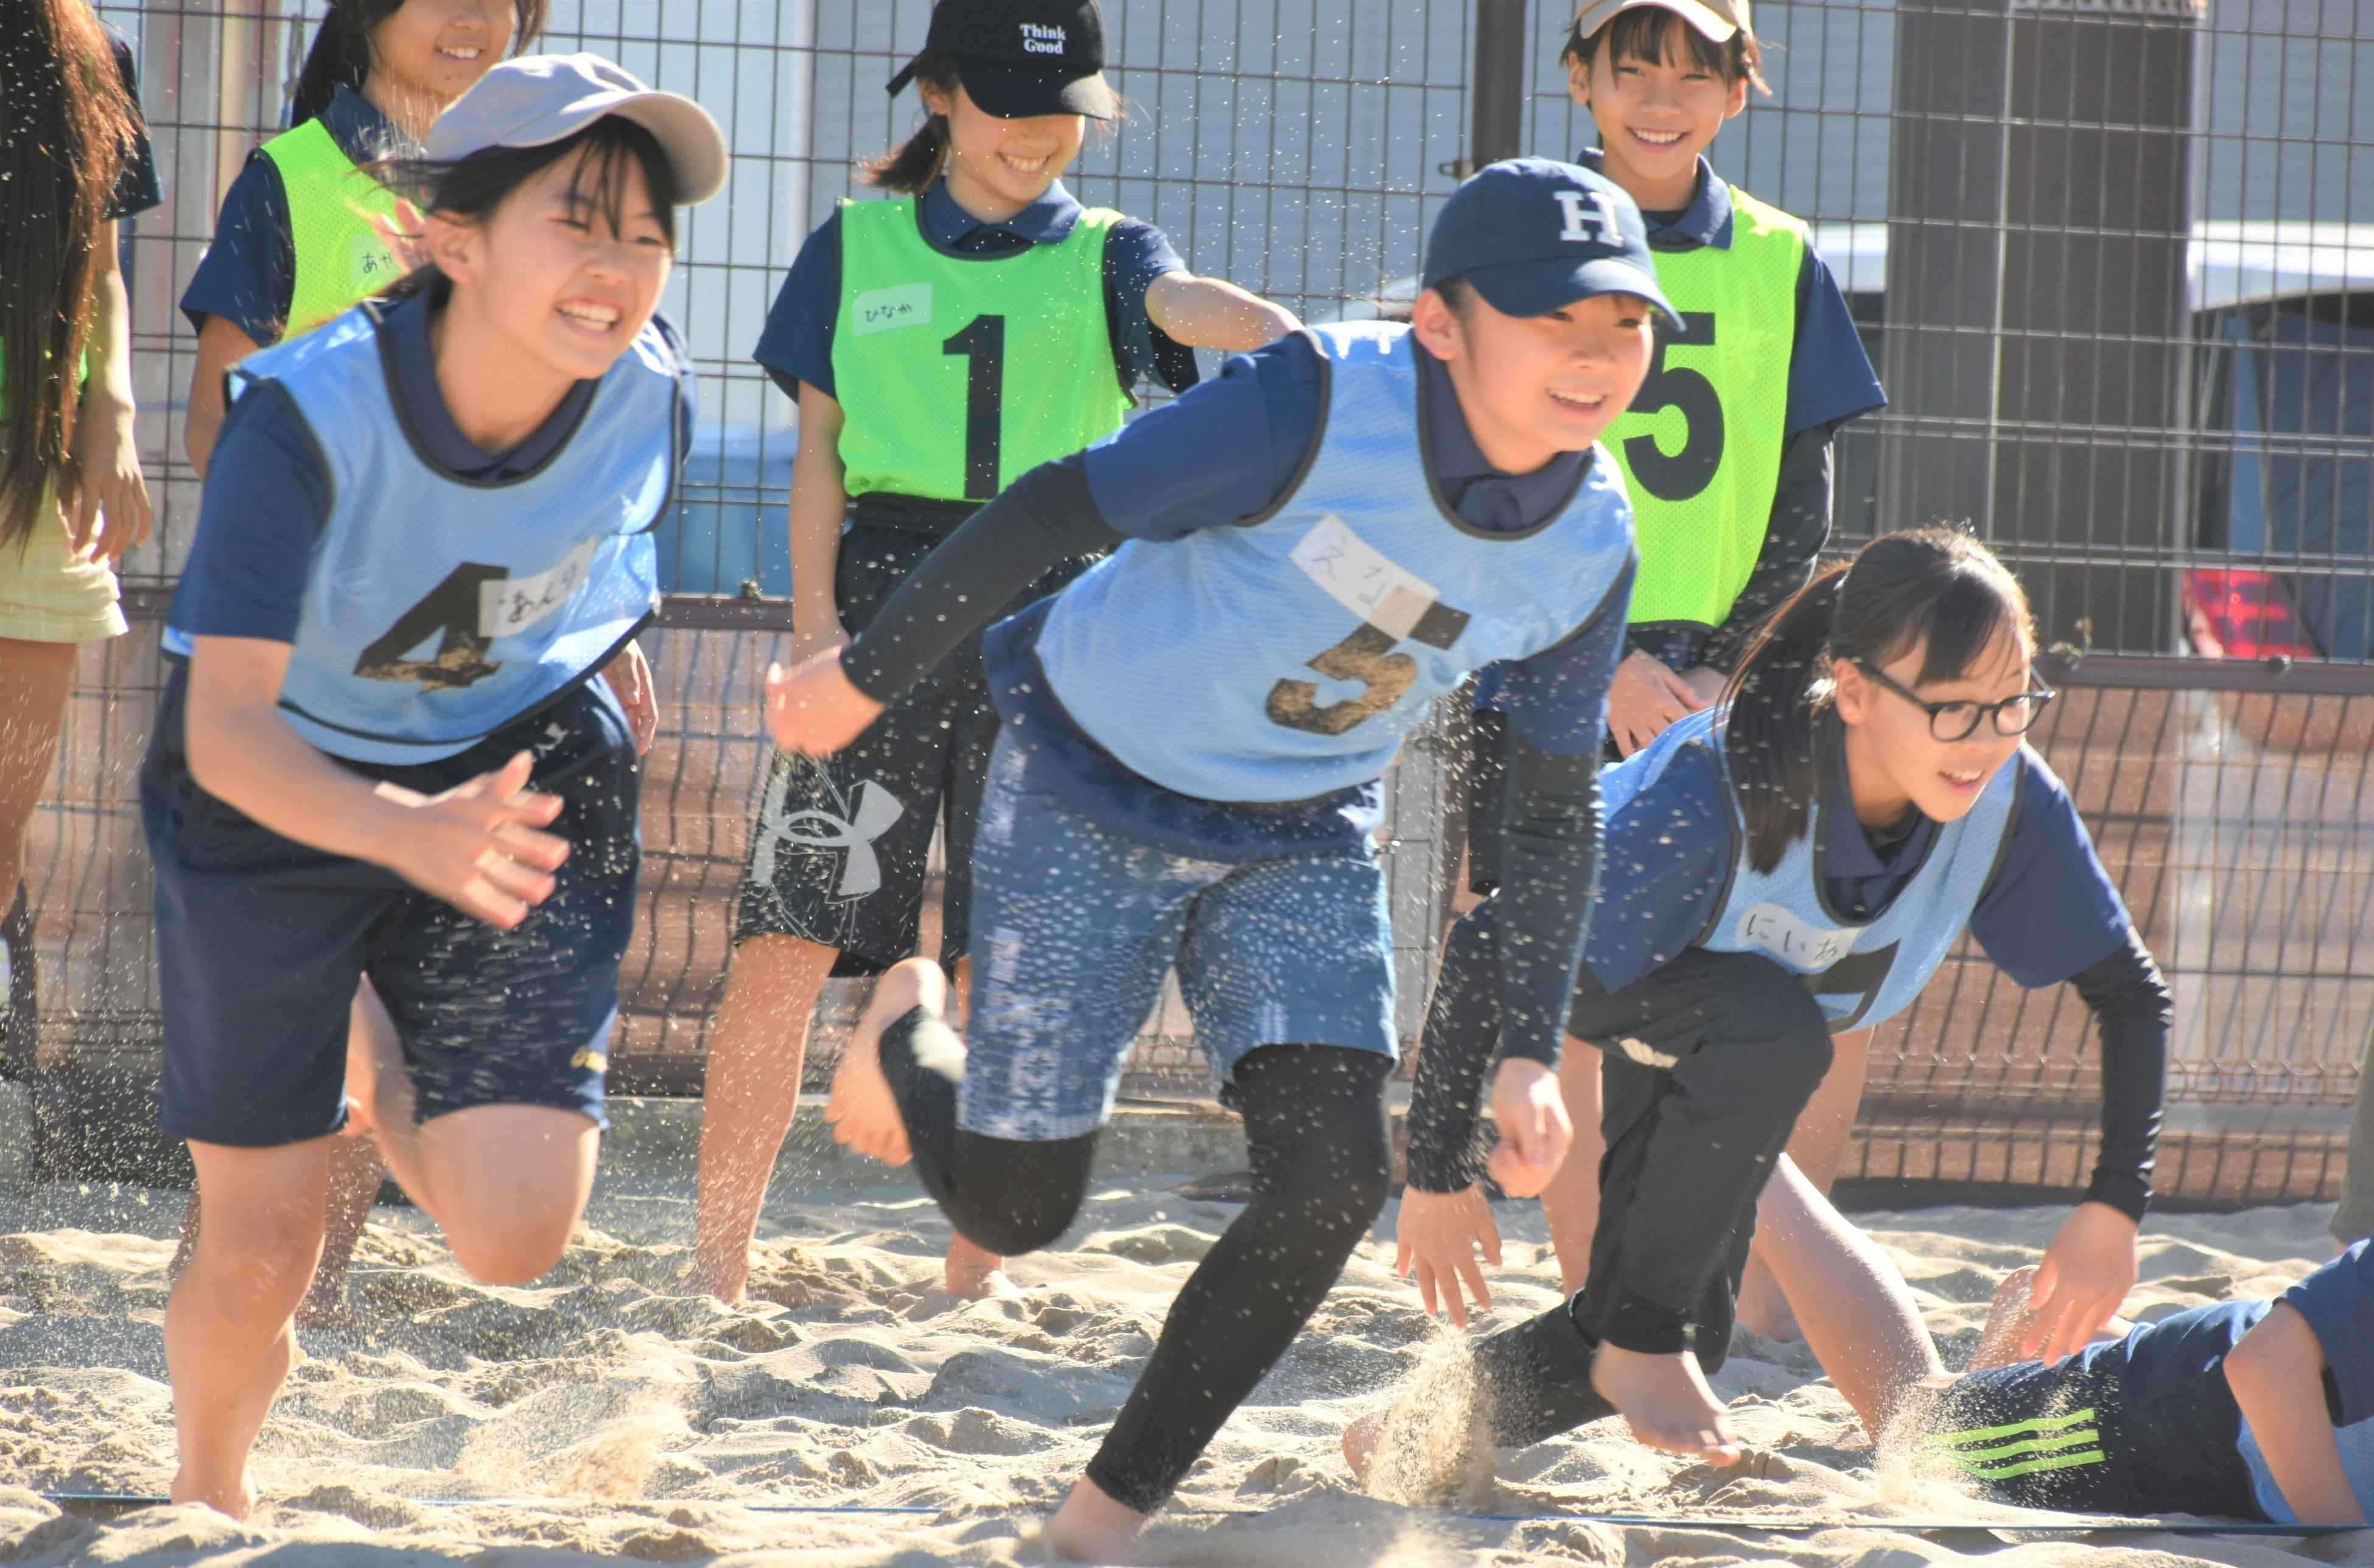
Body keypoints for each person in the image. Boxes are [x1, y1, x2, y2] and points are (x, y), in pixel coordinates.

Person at [763, 157, 1661, 1561]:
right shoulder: (1311, 403)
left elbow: (1548, 813)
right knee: (1021, 1203)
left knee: (1328, 1181)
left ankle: (1097, 1521)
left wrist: (1527, 1048)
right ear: (1443, 325)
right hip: (1082, 776)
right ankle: (905, 1035)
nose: (1597, 357)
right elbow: (1061, 506)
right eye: (1558, 322)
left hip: (1300, 828)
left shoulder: (1592, 540)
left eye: (1625, 325)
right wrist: (867, 676)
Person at [143, 54, 725, 1516]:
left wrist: (611, 644)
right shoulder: (307, 417)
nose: (618, 267)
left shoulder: (648, 387)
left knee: (517, 1238)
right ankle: (208, 1493)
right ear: (451, 237)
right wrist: (399, 835)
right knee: (264, 1242)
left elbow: (604, 538)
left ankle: (376, 1034)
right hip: (280, 796)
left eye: (647, 236)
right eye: (577, 222)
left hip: (505, 776)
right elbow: (224, 732)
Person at [690, 0, 1300, 1307]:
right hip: (879, 610)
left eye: (1062, 109)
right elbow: (818, 453)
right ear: (940, 99)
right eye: (1010, 104)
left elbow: (1180, 305)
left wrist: (1277, 328)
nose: (1037, 134)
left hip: (1059, 621)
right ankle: (715, 1265)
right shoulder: (853, 244)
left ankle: (973, 1270)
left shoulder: (1113, 253)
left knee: (1008, 948)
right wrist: (814, 624)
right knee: (788, 936)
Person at [1388, 530, 2170, 1465]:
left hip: (1734, 1027)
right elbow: (1484, 945)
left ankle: (1403, 1438)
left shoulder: (2007, 797)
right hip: (1605, 981)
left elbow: (2130, 994)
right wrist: (1435, 1172)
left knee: (1698, 1323)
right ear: (1855, 692)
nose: (1992, 739)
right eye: (1957, 710)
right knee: (1772, 1041)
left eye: (2016, 705)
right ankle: (1859, 1409)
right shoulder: (1721, 787)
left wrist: (2113, 1209)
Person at [1461, 0, 1886, 1313]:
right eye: (1631, 63)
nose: (1660, 94)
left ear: (1741, 91)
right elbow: (1471, 463)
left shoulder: (1779, 254)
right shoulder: (1519, 231)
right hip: (1550, 650)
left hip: (1727, 675)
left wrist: (1731, 668)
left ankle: (1758, 1311)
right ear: (1580, 77)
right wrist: (1614, 659)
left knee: (1791, 970)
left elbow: (1801, 491)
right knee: (1550, 972)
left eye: (1695, 69)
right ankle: (1598, 1305)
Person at [171, 0, 552, 1325]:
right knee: (302, 1007)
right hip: (307, 653)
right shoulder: (295, 178)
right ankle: (242, 1298)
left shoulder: (535, 187)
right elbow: (221, 417)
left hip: (469, 656)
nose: (474, 18)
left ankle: (310, 1303)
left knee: (393, 997)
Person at [1357, 1155, 2373, 1530]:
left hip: (2199, 1394)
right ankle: (1749, 1157)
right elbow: (2265, 1365)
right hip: (2184, 1416)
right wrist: (2337, 1535)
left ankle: (2059, 1339)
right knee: (1917, 1423)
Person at [0, 0, 159, 1081]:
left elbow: (100, 265)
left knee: (3, 839)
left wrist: (117, 413)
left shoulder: (93, 51)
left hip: (34, 475)